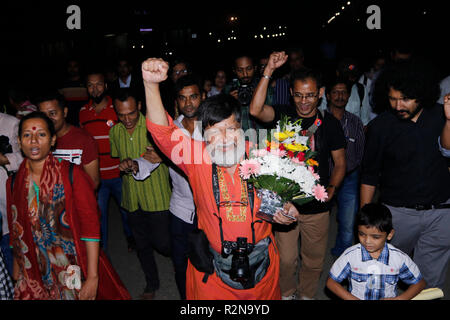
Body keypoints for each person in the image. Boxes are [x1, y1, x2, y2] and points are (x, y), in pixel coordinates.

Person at [142, 57, 300, 300]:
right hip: (213, 274)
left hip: (262, 269)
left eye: (230, 129)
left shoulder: (264, 156)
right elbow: (163, 131)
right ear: (203, 135)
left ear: (242, 128)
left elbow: (283, 201)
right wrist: (151, 85)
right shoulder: (197, 157)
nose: (224, 139)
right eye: (214, 132)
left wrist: (288, 210)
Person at [249, 51, 346, 300]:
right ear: (291, 93)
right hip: (285, 205)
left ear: (320, 93)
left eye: (311, 95)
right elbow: (256, 109)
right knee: (286, 260)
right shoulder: (283, 115)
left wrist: (332, 190)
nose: (305, 102)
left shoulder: (330, 124)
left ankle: (306, 295)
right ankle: (288, 294)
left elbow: (339, 162)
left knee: (313, 260)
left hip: (317, 206)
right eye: (299, 95)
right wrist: (268, 70)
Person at [6, 111, 130, 300]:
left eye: (41, 134)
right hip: (34, 266)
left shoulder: (72, 175)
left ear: (53, 140)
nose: (34, 141)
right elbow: (16, 227)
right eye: (27, 135)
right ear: (19, 141)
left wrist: (93, 277)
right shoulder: (14, 182)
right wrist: (17, 264)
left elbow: (91, 228)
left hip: (71, 265)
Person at [360, 59, 450, 291]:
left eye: (406, 99)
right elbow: (369, 175)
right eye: (392, 98)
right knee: (387, 275)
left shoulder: (441, 116)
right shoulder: (381, 126)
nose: (398, 105)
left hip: (439, 214)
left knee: (430, 283)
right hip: (397, 214)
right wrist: (365, 218)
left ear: (422, 95)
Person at [120, 74, 204, 299]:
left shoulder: (215, 127)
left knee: (209, 267)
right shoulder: (170, 131)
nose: (188, 103)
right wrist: (135, 165)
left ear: (202, 97)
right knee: (181, 265)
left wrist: (169, 157)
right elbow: (151, 157)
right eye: (183, 98)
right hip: (180, 209)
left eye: (193, 97)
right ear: (176, 102)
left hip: (210, 210)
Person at [109, 88, 172, 300]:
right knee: (142, 246)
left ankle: (189, 262)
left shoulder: (155, 128)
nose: (127, 119)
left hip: (158, 197)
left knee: (164, 243)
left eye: (131, 113)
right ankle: (151, 284)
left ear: (139, 107)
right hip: (131, 198)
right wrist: (125, 164)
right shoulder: (114, 132)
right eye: (121, 114)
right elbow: (118, 157)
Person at [79, 71, 134, 254]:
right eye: (90, 85)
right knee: (98, 216)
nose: (95, 89)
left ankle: (131, 239)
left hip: (119, 174)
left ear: (106, 86)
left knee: (127, 213)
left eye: (99, 84)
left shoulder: (116, 107)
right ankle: (101, 254)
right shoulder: (83, 112)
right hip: (97, 177)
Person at [326, 203, 426, 300]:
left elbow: (419, 283)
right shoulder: (350, 256)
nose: (367, 241)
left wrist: (401, 298)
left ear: (389, 234)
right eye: (362, 234)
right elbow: (331, 282)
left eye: (375, 237)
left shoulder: (399, 258)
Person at [325, 77, 365, 257]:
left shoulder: (355, 122)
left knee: (348, 224)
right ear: (327, 95)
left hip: (349, 177)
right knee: (316, 221)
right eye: (335, 92)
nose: (339, 96)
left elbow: (361, 152)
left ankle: (344, 258)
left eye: (343, 92)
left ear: (348, 96)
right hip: (323, 178)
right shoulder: (320, 121)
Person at [36, 91, 100, 190]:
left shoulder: (84, 139)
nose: (48, 119)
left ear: (65, 112)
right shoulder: (37, 141)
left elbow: (93, 182)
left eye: (52, 113)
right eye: (43, 115)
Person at [0, 112, 23, 277]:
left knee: (9, 245)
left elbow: (25, 155)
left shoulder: (11, 123)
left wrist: (5, 159)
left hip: (5, 193)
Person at [224, 54, 271, 132]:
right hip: (239, 139)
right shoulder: (228, 89)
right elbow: (221, 119)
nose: (245, 74)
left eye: (249, 69)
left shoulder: (263, 87)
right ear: (234, 70)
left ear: (255, 68)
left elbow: (273, 115)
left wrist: (258, 98)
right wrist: (229, 103)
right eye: (240, 70)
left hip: (263, 138)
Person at [319, 58, 371, 127]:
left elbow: (365, 122)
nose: (350, 78)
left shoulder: (361, 90)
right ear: (337, 73)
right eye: (347, 75)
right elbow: (319, 118)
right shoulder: (326, 90)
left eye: (353, 75)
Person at [58, 59, 89, 126]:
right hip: (68, 120)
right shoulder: (62, 84)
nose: (72, 69)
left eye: (75, 66)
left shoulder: (86, 82)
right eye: (70, 66)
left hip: (84, 117)